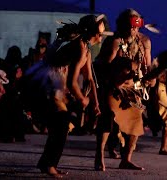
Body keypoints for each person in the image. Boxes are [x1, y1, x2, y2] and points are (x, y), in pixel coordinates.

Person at [25, 14, 109, 178]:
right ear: (92, 32)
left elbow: (90, 79)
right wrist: (81, 99)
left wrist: (96, 104)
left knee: (61, 125)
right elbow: (71, 82)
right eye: (99, 33)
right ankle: (49, 165)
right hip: (49, 83)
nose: (101, 36)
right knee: (61, 124)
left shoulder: (86, 49)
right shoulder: (79, 47)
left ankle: (47, 163)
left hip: (57, 84)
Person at [94, 8, 154, 171]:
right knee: (108, 120)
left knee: (136, 124)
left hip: (133, 89)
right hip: (113, 87)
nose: (132, 30)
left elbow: (147, 66)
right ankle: (99, 156)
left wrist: (150, 78)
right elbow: (104, 65)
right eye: (129, 26)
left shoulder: (144, 42)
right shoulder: (114, 41)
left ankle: (126, 159)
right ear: (122, 25)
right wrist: (123, 68)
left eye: (135, 26)